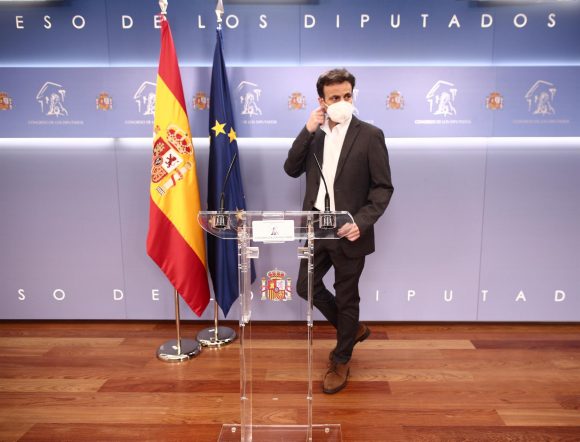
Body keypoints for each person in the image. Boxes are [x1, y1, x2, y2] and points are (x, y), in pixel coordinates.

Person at [284, 68, 394, 394]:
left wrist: (361, 222)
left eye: (347, 95)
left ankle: (341, 357)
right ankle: (352, 329)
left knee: (347, 295)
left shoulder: (370, 135)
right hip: (317, 225)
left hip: (349, 228)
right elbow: (291, 168)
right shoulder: (315, 135)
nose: (343, 101)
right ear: (322, 101)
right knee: (305, 286)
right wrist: (307, 129)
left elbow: (382, 188)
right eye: (335, 97)